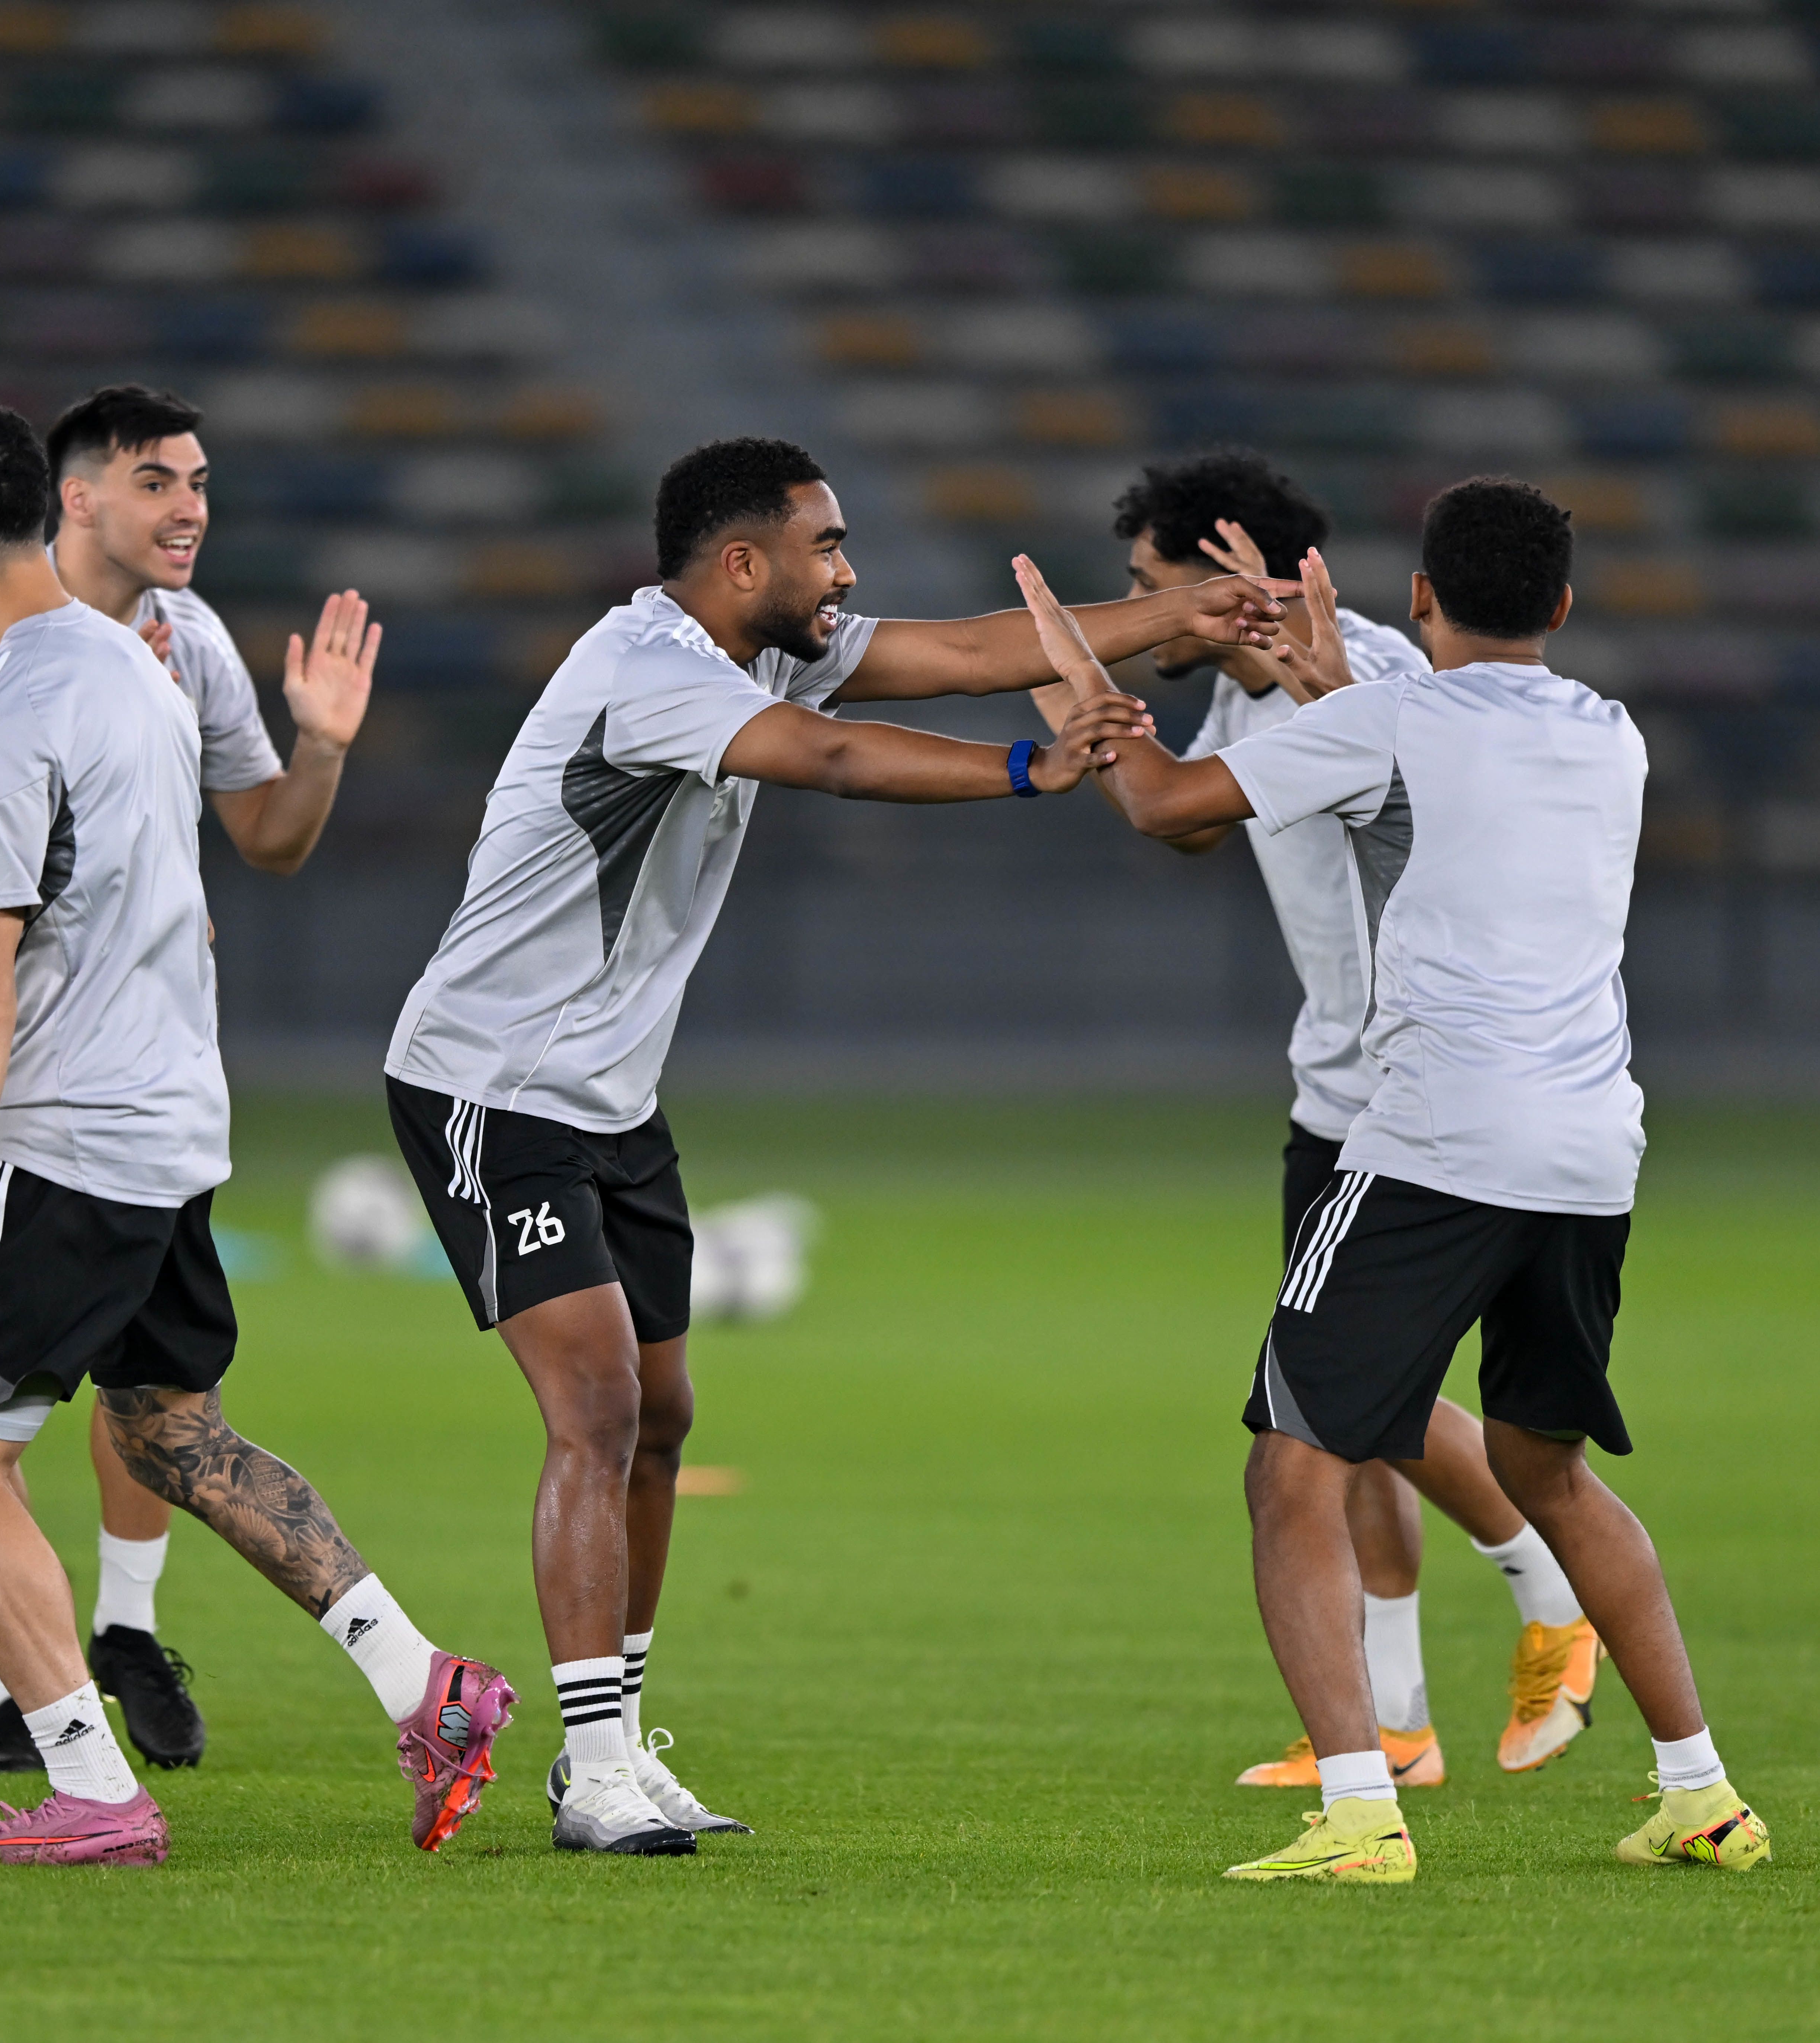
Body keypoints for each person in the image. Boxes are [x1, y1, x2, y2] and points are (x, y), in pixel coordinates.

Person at [384, 435, 1289, 1853]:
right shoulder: (649, 672)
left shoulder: (764, 647)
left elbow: (972, 649)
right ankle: (595, 1768)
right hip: (491, 1089)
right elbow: (835, 758)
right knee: (599, 1408)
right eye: (826, 546)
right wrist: (1028, 767)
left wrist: (1186, 611)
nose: (848, 572)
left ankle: (615, 1745)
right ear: (742, 562)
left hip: (610, 1098)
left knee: (662, 1421)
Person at [1010, 480, 1770, 1883]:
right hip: (1591, 1149)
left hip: (1434, 1141)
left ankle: (1363, 1807)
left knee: (1291, 1466)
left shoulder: (1391, 716)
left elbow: (1165, 805)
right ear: (1561, 604)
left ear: (1422, 597)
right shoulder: (1610, 732)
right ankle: (1702, 1796)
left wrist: (1080, 690)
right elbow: (1434, 790)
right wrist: (1329, 693)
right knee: (1547, 1467)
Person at [0, 399, 511, 1867]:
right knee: (170, 1433)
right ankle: (426, 1684)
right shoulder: (140, 668)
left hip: (66, 1140)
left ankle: (95, 1791)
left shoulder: (9, 703)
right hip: (170, 1129)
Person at [1033, 449, 1601, 1789]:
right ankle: (1397, 1720)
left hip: (1417, 1095)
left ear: (1230, 575)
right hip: (1335, 1089)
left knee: (1346, 1400)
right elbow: (1186, 826)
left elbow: (1338, 752)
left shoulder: (1381, 676)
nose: (1143, 610)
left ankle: (1550, 1593)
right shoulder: (1243, 698)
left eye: (1153, 585)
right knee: (1354, 1430)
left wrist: (1073, 677)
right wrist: (1081, 689)